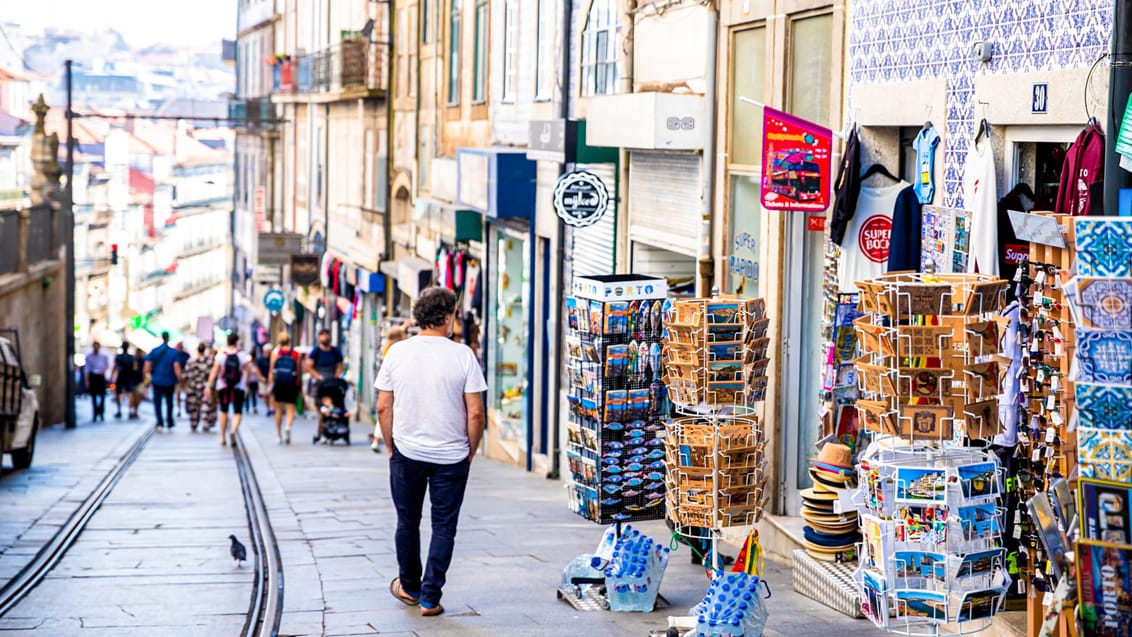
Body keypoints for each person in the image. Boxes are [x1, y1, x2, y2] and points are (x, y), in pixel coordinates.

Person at [378, 287, 487, 617]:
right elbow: (476, 412)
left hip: (406, 452)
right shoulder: (463, 355)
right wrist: (470, 449)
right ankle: (430, 597)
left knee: (407, 521)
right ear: (449, 316)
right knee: (444, 527)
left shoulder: (397, 352)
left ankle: (409, 586)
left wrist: (390, 445)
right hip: (451, 456)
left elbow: (383, 406)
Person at [208, 333, 255, 446]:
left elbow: (215, 370)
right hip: (238, 387)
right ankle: (233, 430)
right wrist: (247, 382)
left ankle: (222, 437)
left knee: (223, 411)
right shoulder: (242, 355)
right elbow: (248, 370)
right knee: (238, 412)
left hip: (223, 387)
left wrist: (209, 385)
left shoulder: (221, 355)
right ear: (236, 342)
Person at [372, 325, 408, 453]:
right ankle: (382, 439)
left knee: (384, 411)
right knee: (389, 411)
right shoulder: (398, 351)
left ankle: (377, 440)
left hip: (382, 384)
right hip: (396, 385)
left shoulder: (384, 349)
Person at [144, 332, 183, 430]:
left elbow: (147, 368)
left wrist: (147, 381)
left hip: (157, 380)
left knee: (158, 402)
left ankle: (160, 422)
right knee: (170, 402)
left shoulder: (154, 351)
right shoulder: (174, 352)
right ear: (168, 338)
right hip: (169, 381)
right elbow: (176, 368)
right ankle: (169, 421)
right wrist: (180, 379)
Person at [269, 333, 301, 444]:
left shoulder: (275, 353)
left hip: (278, 383)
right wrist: (299, 385)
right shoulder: (295, 353)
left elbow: (271, 371)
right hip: (291, 383)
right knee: (290, 409)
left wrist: (270, 384)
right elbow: (298, 370)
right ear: (289, 340)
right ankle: (288, 426)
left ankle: (278, 435)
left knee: (278, 410)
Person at [184, 342, 214, 432]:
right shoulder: (209, 361)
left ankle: (194, 423)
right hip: (205, 387)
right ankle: (206, 424)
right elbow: (212, 375)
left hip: (193, 387)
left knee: (194, 407)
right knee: (206, 406)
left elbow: (186, 375)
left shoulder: (190, 361)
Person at [84, 342, 110, 422]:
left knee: (102, 396)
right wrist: (87, 380)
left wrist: (103, 370)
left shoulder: (103, 356)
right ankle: (95, 413)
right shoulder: (89, 356)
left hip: (101, 376)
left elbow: (107, 365)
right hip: (93, 377)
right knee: (94, 396)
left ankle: (101, 412)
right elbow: (87, 369)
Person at [112, 343, 138, 419]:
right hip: (129, 377)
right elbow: (135, 368)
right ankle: (130, 411)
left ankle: (119, 410)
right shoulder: (132, 357)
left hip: (121, 377)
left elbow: (115, 367)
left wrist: (112, 377)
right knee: (130, 394)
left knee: (118, 393)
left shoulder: (118, 357)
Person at [244, 347, 263, 415]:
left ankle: (248, 407)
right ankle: (253, 407)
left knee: (248, 395)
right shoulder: (254, 363)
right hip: (253, 381)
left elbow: (248, 373)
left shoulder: (250, 363)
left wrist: (247, 381)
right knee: (252, 395)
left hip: (251, 381)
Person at [174, 342, 191, 417]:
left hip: (185, 377)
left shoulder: (186, 355)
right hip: (178, 378)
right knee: (178, 394)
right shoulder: (175, 355)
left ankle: (186, 407)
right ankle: (179, 409)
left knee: (187, 393)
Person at [256, 345, 273, 416]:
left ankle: (272, 408)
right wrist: (261, 377)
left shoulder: (272, 358)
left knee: (272, 395)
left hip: (272, 380)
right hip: (263, 379)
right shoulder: (260, 359)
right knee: (265, 395)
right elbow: (257, 369)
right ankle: (268, 408)